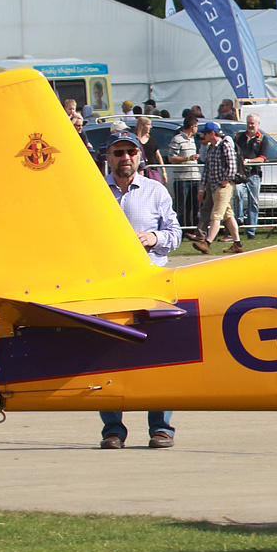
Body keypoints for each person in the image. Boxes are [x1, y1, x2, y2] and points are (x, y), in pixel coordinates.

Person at [98, 131, 182, 449]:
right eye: (118, 152)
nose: (125, 158)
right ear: (108, 157)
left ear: (140, 156)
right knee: (106, 358)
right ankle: (113, 430)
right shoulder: (94, 192)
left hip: (151, 285)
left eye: (131, 152)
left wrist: (154, 239)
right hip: (108, 286)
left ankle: (161, 428)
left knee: (159, 359)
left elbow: (174, 233)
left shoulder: (155, 191)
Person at [193, 122, 243, 254]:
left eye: (206, 133)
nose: (204, 135)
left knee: (216, 215)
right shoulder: (211, 148)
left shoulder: (224, 145)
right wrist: (202, 188)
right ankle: (237, 244)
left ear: (212, 133)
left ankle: (207, 242)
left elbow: (232, 166)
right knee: (228, 215)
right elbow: (207, 170)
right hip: (214, 186)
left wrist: (224, 182)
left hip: (223, 187)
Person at [233, 114, 269, 239]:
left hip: (254, 174)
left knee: (253, 202)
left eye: (252, 123)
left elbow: (262, 158)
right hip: (240, 173)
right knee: (237, 194)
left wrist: (248, 161)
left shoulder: (262, 139)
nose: (250, 125)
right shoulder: (239, 137)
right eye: (248, 123)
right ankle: (239, 220)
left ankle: (251, 231)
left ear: (258, 124)